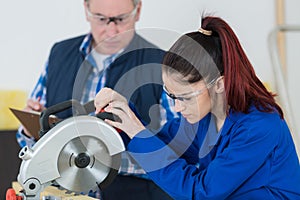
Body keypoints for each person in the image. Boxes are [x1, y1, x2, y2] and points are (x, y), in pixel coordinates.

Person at [94, 15, 300, 199]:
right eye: (172, 96)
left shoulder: (260, 126)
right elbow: (158, 145)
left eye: (185, 97)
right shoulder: (201, 116)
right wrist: (123, 114)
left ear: (219, 84)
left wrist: (137, 132)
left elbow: (202, 192)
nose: (177, 108)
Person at [16, 0, 177, 199]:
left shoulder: (161, 65)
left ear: (138, 11)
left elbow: (175, 153)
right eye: (101, 19)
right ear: (86, 10)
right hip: (59, 193)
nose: (112, 30)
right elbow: (27, 139)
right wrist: (30, 127)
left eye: (121, 19)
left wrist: (98, 161)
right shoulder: (58, 54)